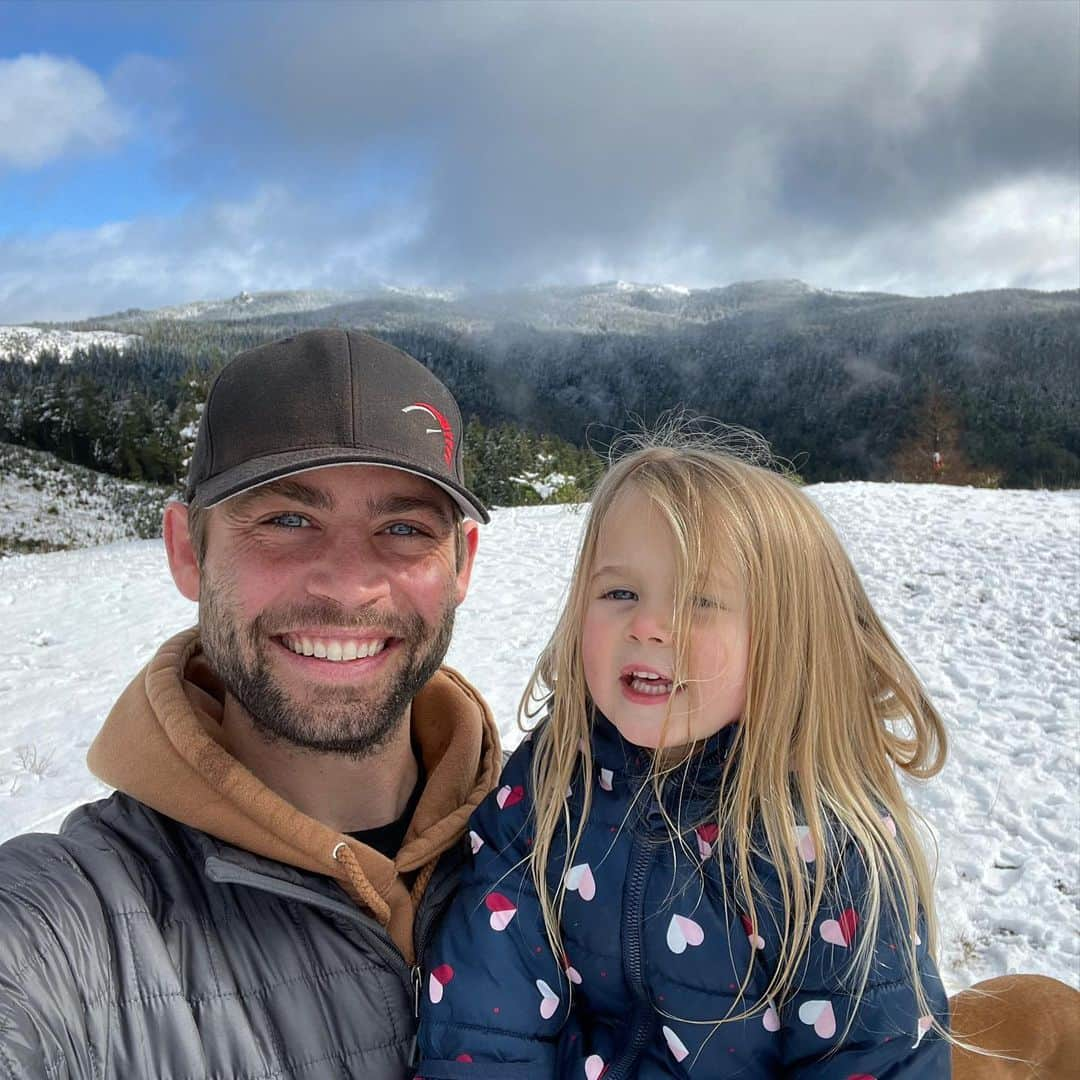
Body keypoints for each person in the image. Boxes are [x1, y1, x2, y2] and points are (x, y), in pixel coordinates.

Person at [0, 329, 502, 1078]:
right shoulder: (71, 925)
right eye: (287, 520)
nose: (348, 584)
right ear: (187, 552)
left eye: (403, 529)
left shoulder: (561, 848)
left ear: (461, 564)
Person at [417, 434, 952, 1077]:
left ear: (788, 639)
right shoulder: (548, 789)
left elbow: (878, 1058)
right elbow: (483, 1015)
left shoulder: (824, 847)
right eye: (619, 594)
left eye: (700, 600)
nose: (648, 625)